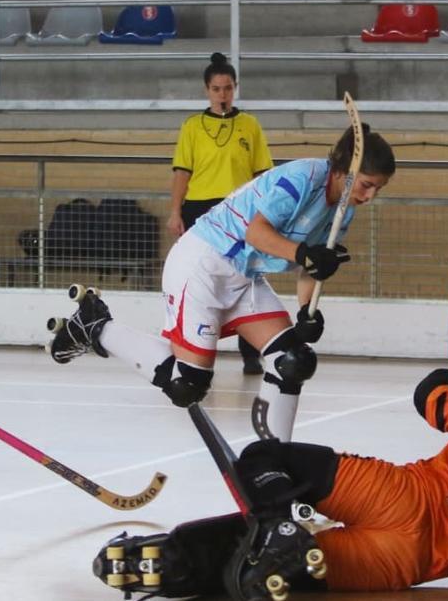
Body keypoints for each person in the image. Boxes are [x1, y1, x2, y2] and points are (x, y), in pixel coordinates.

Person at [91, 363, 448, 599]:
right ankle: (245, 551)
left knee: (265, 459)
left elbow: (429, 390)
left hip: (406, 496)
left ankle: (194, 554)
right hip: (410, 563)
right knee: (268, 572)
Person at [48, 123, 394, 443]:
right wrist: (306, 254)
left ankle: (274, 459)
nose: (370, 196)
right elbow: (257, 234)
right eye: (366, 185)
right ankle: (95, 326)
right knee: (187, 385)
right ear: (340, 172)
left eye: (378, 188)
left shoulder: (343, 210)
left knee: (293, 359)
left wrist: (307, 310)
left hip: (243, 274)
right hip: (203, 262)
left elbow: (311, 267)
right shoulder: (303, 178)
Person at [167, 52, 274, 376]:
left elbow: (263, 174)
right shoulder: (193, 126)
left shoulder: (249, 125)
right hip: (201, 207)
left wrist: (267, 216)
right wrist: (175, 211)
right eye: (216, 89)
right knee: (195, 277)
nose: (222, 94)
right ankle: (188, 346)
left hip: (241, 209)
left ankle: (251, 353)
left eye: (228, 88)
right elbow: (182, 173)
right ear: (207, 90)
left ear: (235, 88)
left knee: (248, 276)